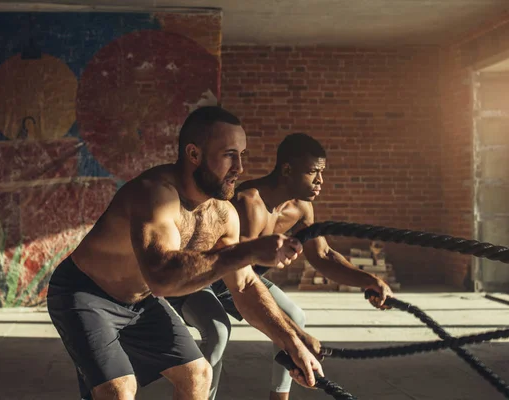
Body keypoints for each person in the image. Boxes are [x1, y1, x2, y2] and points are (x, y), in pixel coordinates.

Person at [46, 108, 324, 400]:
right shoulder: (155, 194)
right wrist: (248, 251)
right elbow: (162, 278)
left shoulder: (223, 214)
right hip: (85, 294)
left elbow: (243, 285)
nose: (240, 167)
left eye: (243, 155)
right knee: (119, 390)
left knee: (198, 375)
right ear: (194, 154)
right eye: (229, 154)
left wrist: (291, 339)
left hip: (140, 301)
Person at [169, 132, 394, 400]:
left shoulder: (301, 207)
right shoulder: (248, 202)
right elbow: (237, 275)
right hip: (205, 280)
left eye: (322, 173)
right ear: (287, 169)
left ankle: (279, 398)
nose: (320, 181)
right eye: (313, 172)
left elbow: (323, 255)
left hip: (245, 279)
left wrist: (368, 280)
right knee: (217, 333)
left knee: (295, 315)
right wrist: (296, 337)